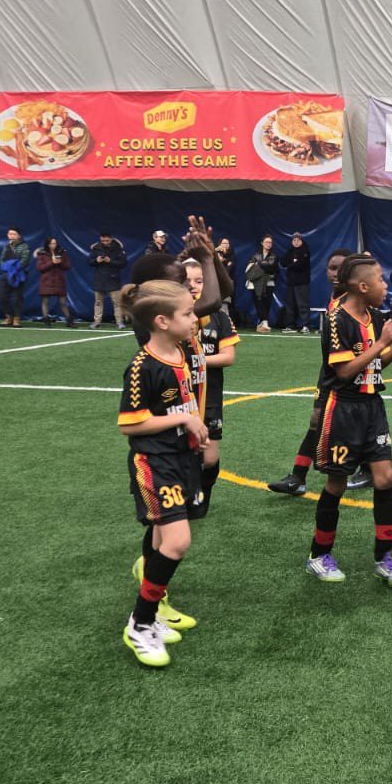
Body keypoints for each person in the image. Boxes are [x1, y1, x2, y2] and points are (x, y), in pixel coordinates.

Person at [303, 255, 392, 587]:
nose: (386, 286)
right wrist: (384, 343)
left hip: (372, 408)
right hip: (343, 408)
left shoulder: (374, 317)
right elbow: (344, 371)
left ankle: (384, 557)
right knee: (337, 483)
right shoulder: (336, 319)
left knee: (385, 478)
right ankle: (318, 555)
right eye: (381, 280)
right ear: (363, 286)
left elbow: (374, 363)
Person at [116, 279, 208, 668]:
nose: (194, 318)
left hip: (181, 459)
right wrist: (184, 420)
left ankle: (154, 614)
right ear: (162, 321)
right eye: (187, 313)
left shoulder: (181, 352)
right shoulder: (142, 366)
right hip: (155, 462)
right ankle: (139, 624)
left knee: (159, 538)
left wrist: (194, 428)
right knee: (177, 541)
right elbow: (130, 424)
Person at [268, 248, 358, 498]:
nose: (336, 273)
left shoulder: (352, 304)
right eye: (332, 268)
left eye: (342, 268)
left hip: (345, 372)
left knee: (348, 421)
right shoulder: (335, 299)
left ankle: (369, 467)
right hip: (328, 372)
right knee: (318, 420)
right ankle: (298, 477)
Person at [182, 260, 238, 517]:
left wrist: (196, 359)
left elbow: (228, 357)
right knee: (184, 453)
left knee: (209, 458)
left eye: (199, 280)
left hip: (210, 398)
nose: (193, 286)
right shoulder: (175, 316)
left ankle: (203, 492)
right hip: (181, 399)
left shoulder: (220, 317)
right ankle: (187, 498)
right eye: (187, 281)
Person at [88, 232, 128, 328]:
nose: (105, 242)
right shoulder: (96, 248)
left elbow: (123, 263)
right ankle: (97, 322)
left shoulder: (118, 248)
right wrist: (96, 260)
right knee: (98, 302)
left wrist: (110, 261)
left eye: (107, 240)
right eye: (103, 241)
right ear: (100, 239)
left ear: (111, 239)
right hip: (100, 278)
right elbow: (89, 262)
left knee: (117, 303)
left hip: (113, 278)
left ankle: (119, 322)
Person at [35, 238, 75, 327]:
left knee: (63, 302)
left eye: (55, 243)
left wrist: (60, 262)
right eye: (51, 244)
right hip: (46, 281)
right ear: (47, 244)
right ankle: (46, 320)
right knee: (45, 301)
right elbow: (40, 268)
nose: (53, 245)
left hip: (59, 280)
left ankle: (69, 321)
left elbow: (68, 266)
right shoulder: (42, 254)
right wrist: (52, 262)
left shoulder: (62, 252)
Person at [243, 236, 279, 331]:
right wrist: (263, 265)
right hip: (256, 283)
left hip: (269, 283)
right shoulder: (256, 255)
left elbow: (272, 268)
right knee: (258, 303)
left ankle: (264, 322)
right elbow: (250, 268)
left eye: (270, 242)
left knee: (267, 303)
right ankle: (264, 322)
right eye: (267, 242)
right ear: (262, 243)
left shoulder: (274, 256)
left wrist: (259, 265)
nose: (269, 244)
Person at [279, 233, 312, 332]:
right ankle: (290, 325)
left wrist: (291, 264)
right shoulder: (290, 251)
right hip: (291, 283)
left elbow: (300, 265)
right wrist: (292, 262)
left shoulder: (305, 251)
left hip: (302, 283)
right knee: (290, 305)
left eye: (298, 240)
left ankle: (306, 326)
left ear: (301, 241)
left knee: (302, 304)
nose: (296, 242)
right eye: (294, 240)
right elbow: (282, 262)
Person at [0, 228, 31, 327]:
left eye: (14, 234)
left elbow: (25, 260)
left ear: (19, 236)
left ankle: (17, 318)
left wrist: (15, 269)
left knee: (17, 298)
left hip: (18, 275)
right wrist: (6, 268)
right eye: (9, 234)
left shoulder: (24, 246)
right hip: (6, 275)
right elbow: (2, 259)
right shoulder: (6, 246)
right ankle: (9, 316)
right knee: (2, 297)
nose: (11, 236)